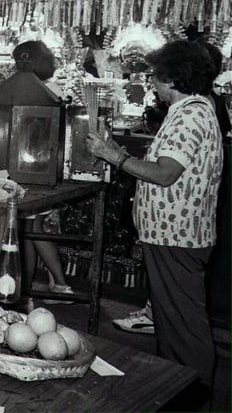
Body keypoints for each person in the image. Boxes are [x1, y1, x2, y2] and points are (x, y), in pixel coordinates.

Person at [87, 40, 221, 391]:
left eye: (156, 76)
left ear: (172, 78)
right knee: (172, 321)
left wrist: (115, 158)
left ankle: (193, 395)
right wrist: (118, 154)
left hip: (177, 234)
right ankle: (176, 390)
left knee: (183, 326)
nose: (152, 83)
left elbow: (165, 173)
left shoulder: (191, 114)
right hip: (173, 233)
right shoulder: (190, 110)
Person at [8, 40, 74, 302]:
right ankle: (50, 285)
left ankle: (32, 288)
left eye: (20, 61)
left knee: (28, 229)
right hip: (45, 169)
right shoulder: (53, 89)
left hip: (31, 168)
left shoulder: (35, 91)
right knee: (33, 228)